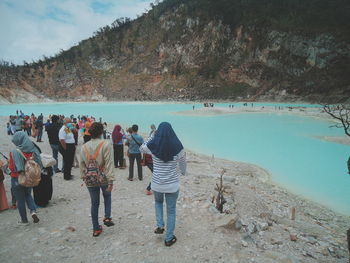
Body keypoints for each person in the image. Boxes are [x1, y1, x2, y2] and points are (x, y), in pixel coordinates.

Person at [140, 122, 186, 247]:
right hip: (172, 185)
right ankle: (169, 238)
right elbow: (183, 166)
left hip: (157, 184)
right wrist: (182, 172)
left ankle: (160, 225)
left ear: (158, 132)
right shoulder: (178, 147)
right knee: (171, 211)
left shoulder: (154, 145)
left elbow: (142, 147)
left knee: (158, 203)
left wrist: (153, 136)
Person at [79, 122, 115, 237]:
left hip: (90, 178)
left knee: (94, 203)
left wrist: (84, 177)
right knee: (107, 196)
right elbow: (109, 163)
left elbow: (82, 164)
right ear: (101, 132)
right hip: (103, 177)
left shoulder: (84, 147)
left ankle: (96, 229)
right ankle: (107, 217)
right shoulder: (106, 144)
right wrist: (111, 180)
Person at [8, 131, 42, 224]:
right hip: (30, 177)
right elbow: (39, 161)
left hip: (17, 178)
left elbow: (12, 168)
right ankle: (33, 211)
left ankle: (24, 220)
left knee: (20, 200)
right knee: (28, 195)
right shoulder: (33, 149)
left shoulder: (14, 151)